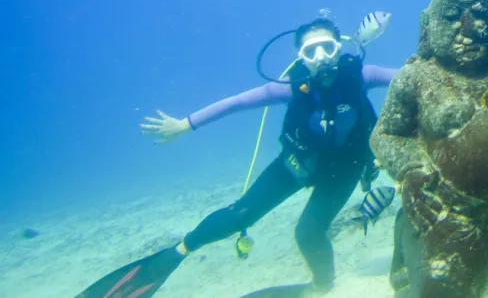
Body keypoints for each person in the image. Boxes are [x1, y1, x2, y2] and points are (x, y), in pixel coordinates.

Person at [76, 18, 397, 298]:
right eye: (310, 52)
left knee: (308, 232)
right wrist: (185, 124)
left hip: (344, 171)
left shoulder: (361, 75)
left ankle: (322, 288)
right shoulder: (291, 87)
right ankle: (179, 251)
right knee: (240, 214)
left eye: (327, 48)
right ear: (301, 57)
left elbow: (407, 76)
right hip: (298, 163)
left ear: (339, 47)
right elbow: (236, 103)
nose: (321, 59)